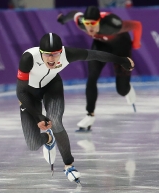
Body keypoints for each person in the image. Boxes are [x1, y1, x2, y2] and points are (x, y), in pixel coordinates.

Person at [16, 32, 134, 184]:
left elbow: (95, 54)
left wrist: (121, 60)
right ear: (40, 52)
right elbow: (21, 92)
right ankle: (49, 138)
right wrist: (38, 115)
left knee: (56, 121)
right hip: (29, 93)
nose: (51, 59)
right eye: (47, 55)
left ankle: (68, 164)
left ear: (61, 51)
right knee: (32, 144)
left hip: (52, 87)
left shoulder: (68, 54)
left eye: (56, 54)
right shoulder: (28, 58)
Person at [57, 6, 142, 131]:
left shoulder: (113, 24)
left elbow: (137, 25)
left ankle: (127, 89)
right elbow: (75, 14)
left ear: (99, 22)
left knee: (121, 90)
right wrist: (63, 19)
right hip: (101, 45)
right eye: (87, 23)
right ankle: (89, 115)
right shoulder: (81, 22)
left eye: (93, 24)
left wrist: (136, 43)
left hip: (121, 46)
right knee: (92, 77)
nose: (89, 27)